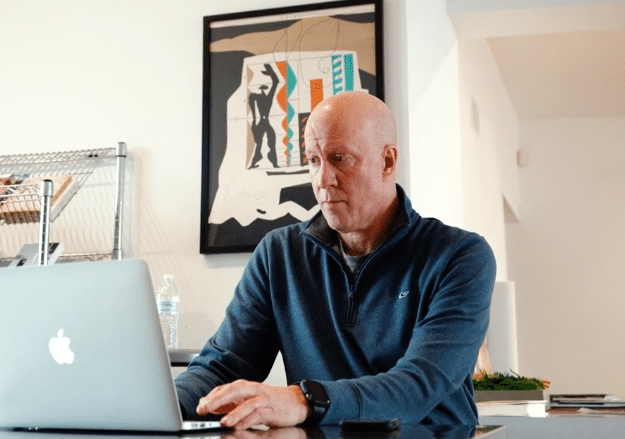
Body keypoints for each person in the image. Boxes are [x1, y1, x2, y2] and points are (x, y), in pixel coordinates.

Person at [175, 91, 496, 429]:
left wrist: (304, 399)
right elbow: (222, 368)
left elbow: (418, 385)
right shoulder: (278, 255)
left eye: (339, 158)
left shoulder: (460, 256)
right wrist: (158, 405)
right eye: (313, 160)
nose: (322, 180)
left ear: (387, 161)